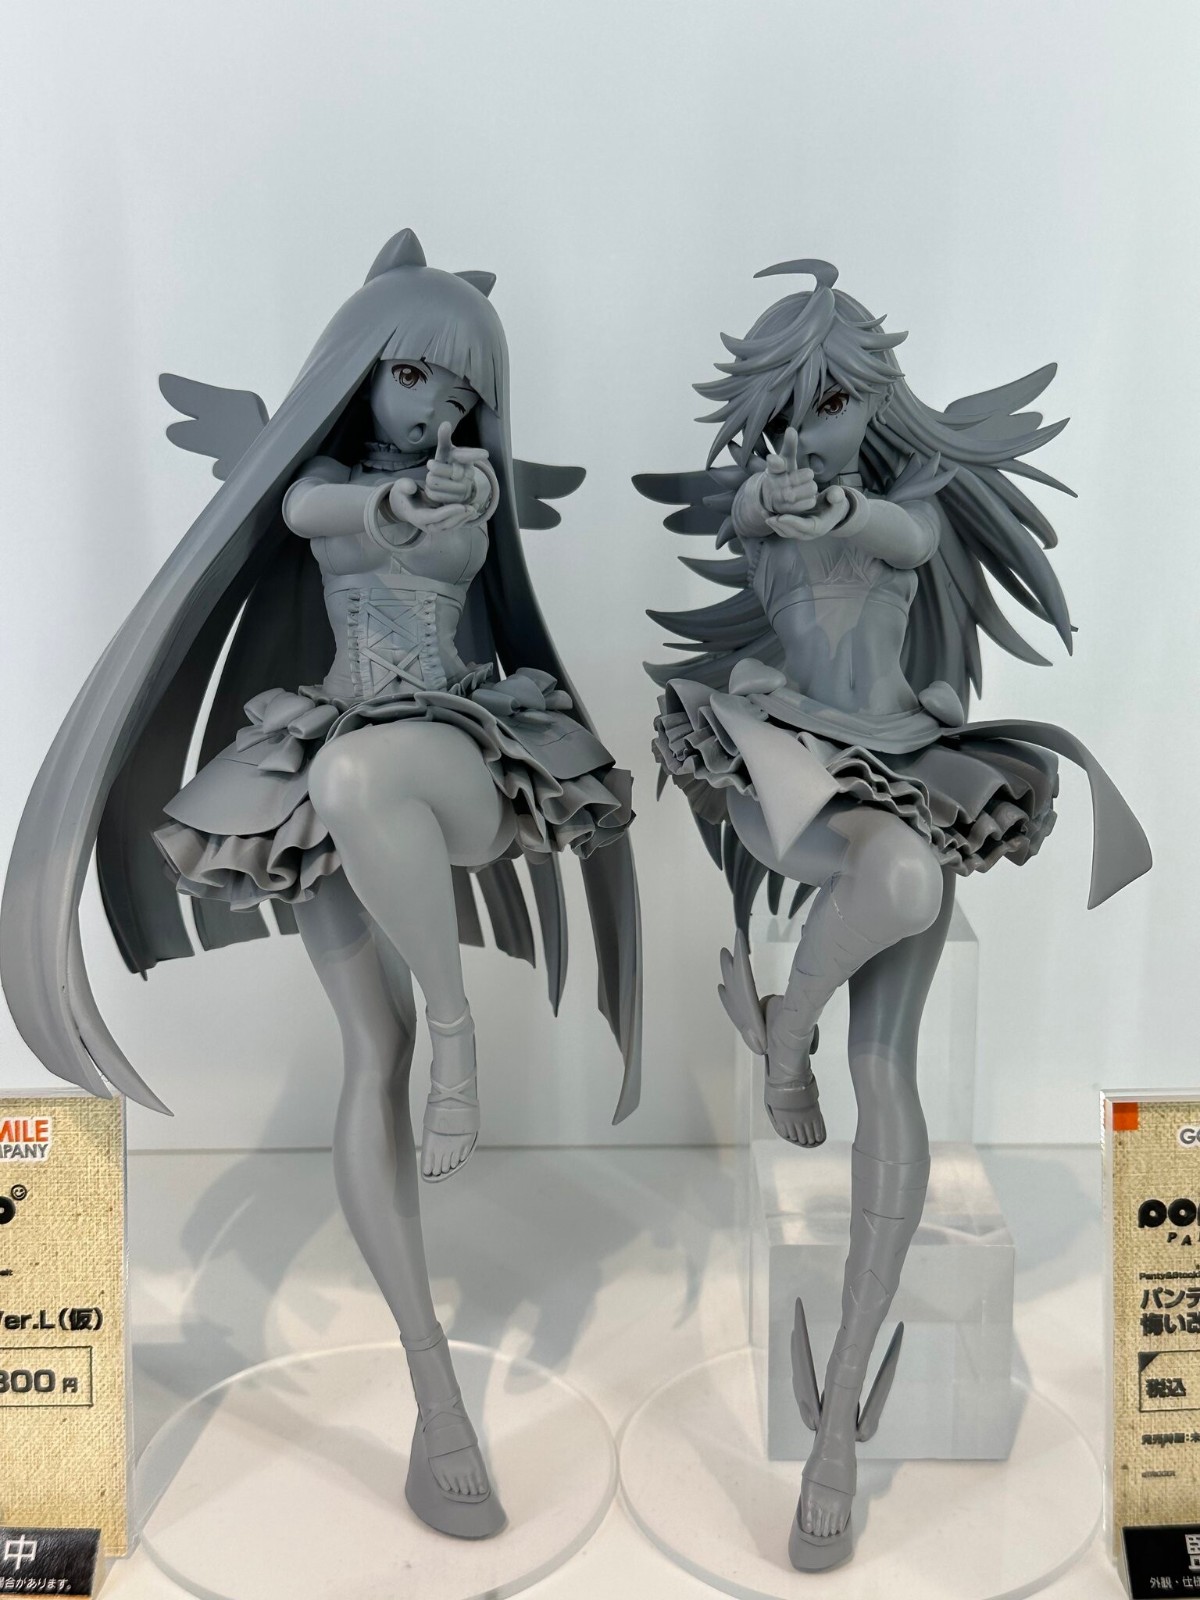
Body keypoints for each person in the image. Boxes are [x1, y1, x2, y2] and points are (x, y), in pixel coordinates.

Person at [1, 228, 641, 1539]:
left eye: (461, 391)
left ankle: (459, 1032)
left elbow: (450, 537)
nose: (436, 407)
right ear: (357, 373)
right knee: (369, 1048)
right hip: (337, 757)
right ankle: (432, 1388)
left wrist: (452, 495)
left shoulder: (468, 488)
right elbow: (314, 510)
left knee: (360, 783)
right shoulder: (329, 486)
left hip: (458, 759)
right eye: (413, 377)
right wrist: (387, 505)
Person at [636, 258, 1149, 1570]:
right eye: (792, 410)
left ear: (876, 398)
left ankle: (838, 1427)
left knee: (892, 1063)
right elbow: (756, 508)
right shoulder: (766, 502)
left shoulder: (907, 501)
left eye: (835, 401)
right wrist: (782, 496)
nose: (811, 430)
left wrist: (849, 502)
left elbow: (908, 540)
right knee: (908, 884)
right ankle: (785, 1035)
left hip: (898, 773)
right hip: (785, 773)